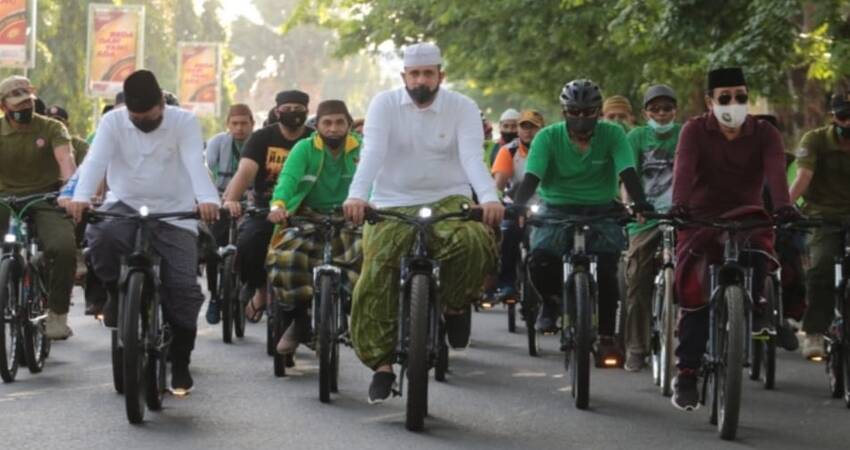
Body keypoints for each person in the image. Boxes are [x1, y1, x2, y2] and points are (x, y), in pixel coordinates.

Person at [343, 42, 503, 403]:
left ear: (439, 76)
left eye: (428, 73)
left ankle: (455, 306)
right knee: (375, 275)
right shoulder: (383, 104)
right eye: (414, 74)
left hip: (449, 199)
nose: (420, 80)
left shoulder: (462, 107)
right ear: (404, 77)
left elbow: (472, 158)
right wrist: (357, 196)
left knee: (475, 241)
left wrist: (490, 199)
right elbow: (372, 154)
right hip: (391, 203)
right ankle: (381, 366)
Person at [66, 70, 220, 394]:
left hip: (174, 212)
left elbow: (195, 162)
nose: (141, 123)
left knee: (182, 289)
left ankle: (180, 360)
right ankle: (114, 290)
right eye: (135, 117)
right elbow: (95, 161)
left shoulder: (185, 122)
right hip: (125, 204)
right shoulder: (113, 123)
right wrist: (80, 198)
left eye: (148, 116)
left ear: (162, 102)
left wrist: (207, 200)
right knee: (102, 238)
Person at [669, 67, 798, 411]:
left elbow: (775, 171)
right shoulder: (693, 131)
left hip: (747, 216)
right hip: (698, 217)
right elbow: (682, 170)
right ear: (709, 101)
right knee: (694, 293)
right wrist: (678, 206)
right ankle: (687, 372)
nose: (734, 103)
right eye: (724, 98)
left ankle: (757, 309)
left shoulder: (765, 133)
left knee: (761, 252)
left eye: (740, 97)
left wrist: (783, 207)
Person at [509, 79, 652, 362]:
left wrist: (640, 202)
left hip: (601, 208)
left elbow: (627, 171)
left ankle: (607, 336)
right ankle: (551, 302)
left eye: (588, 113)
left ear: (598, 112)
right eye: (574, 112)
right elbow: (532, 177)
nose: (581, 119)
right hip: (555, 209)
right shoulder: (547, 137)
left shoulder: (613, 135)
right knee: (538, 260)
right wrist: (519, 206)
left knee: (609, 267)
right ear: (564, 112)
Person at [265, 100, 363, 355]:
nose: (333, 129)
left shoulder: (361, 148)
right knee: (286, 257)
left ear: (349, 125)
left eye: (339, 122)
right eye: (327, 123)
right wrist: (278, 205)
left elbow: (372, 180)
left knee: (370, 256)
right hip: (307, 218)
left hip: (350, 218)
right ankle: (299, 322)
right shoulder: (303, 149)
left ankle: (359, 320)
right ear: (316, 126)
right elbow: (287, 181)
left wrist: (368, 204)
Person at [222, 90, 313, 324]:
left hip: (305, 210)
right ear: (277, 111)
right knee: (249, 242)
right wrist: (231, 199)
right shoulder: (262, 138)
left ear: (307, 111)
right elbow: (245, 172)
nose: (292, 114)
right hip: (266, 209)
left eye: (298, 110)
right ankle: (260, 290)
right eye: (287, 109)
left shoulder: (315, 139)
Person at [0, 75, 77, 339]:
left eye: (28, 102)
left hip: (45, 199)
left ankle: (57, 314)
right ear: (3, 107)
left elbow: (66, 161)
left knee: (64, 247)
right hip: (4, 200)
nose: (25, 108)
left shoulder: (52, 128)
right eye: (18, 105)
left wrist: (69, 192)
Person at [620, 85, 682, 372]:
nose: (661, 113)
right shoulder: (636, 137)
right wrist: (630, 206)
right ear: (645, 112)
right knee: (637, 279)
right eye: (655, 109)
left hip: (682, 216)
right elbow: (627, 175)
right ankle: (636, 347)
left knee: (700, 271)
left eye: (667, 108)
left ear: (675, 110)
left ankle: (693, 340)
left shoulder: (686, 134)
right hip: (645, 217)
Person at [789, 92, 850, 359]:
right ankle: (814, 331)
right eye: (843, 116)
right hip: (822, 216)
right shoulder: (814, 140)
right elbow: (803, 176)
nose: (848, 123)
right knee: (821, 266)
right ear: (832, 117)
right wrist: (783, 206)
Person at [203, 103, 255, 324]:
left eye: (244, 123)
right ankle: (215, 296)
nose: (239, 128)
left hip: (251, 201)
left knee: (252, 244)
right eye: (235, 124)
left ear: (252, 124)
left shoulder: (258, 143)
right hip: (221, 199)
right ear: (228, 125)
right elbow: (207, 172)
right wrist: (212, 200)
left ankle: (249, 286)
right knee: (212, 249)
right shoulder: (217, 143)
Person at [490, 109, 545, 301]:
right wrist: (495, 202)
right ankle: (506, 283)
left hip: (545, 207)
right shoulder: (508, 151)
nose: (528, 132)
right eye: (524, 126)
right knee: (508, 235)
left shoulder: (551, 149)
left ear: (542, 130)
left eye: (533, 127)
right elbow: (499, 184)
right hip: (514, 206)